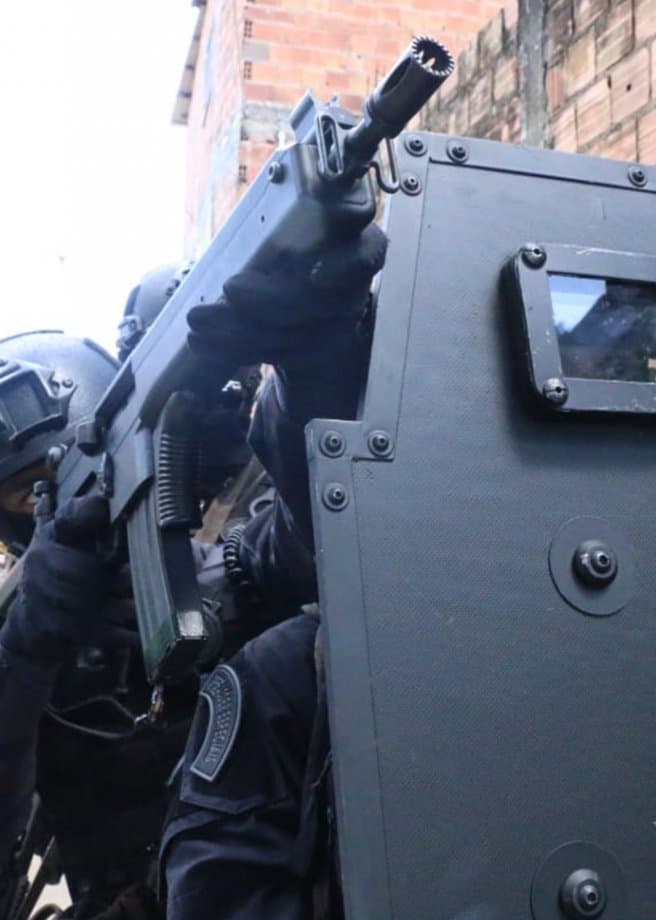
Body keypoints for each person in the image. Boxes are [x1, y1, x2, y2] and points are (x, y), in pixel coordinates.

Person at [0, 330, 209, 920]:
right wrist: (24, 657)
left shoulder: (235, 571)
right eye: (27, 494)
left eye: (88, 475)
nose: (67, 506)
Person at [160, 224, 388, 919]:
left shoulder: (265, 492)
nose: (223, 404)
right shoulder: (74, 567)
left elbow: (317, 538)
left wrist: (316, 367)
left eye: (239, 385)